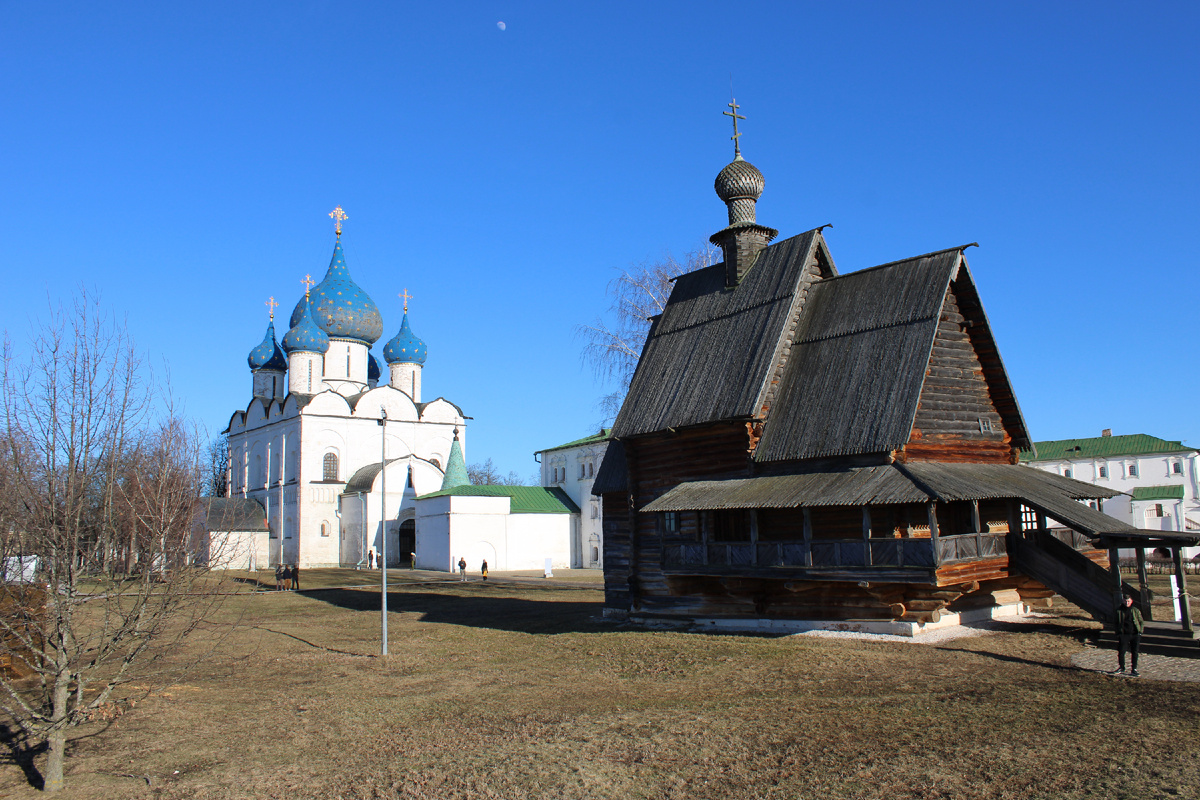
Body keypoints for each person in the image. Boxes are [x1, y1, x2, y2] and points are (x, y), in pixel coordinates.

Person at [1114, 593, 1144, 676]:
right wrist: (1118, 633)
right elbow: (1116, 623)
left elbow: (1141, 621)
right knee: (1121, 651)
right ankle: (1121, 667)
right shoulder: (1119, 611)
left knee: (1135, 652)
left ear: (1131, 601)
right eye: (1125, 601)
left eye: (1128, 601)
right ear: (1123, 601)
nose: (1127, 603)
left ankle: (1134, 668)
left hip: (1134, 633)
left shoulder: (1135, 610)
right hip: (1124, 634)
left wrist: (1140, 631)